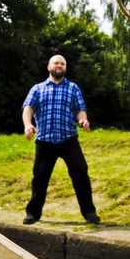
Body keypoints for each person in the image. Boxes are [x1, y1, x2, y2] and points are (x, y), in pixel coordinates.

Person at [22, 55, 100, 225]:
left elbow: (80, 109)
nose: (59, 65)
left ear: (65, 68)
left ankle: (89, 213)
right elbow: (27, 108)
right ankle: (33, 214)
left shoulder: (73, 88)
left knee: (80, 172)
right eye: (56, 63)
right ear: (48, 66)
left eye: (62, 64)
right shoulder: (38, 89)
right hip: (45, 141)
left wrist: (83, 119)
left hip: (68, 140)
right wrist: (28, 125)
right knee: (40, 177)